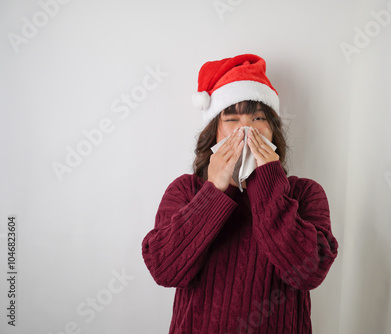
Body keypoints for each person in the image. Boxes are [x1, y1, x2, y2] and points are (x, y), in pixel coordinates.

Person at [142, 54, 339, 333]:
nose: (246, 130)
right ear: (215, 132)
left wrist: (267, 183)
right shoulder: (185, 191)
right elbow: (165, 269)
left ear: (273, 131)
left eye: (258, 118)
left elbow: (307, 273)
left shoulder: (305, 193)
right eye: (232, 119)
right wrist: (214, 192)